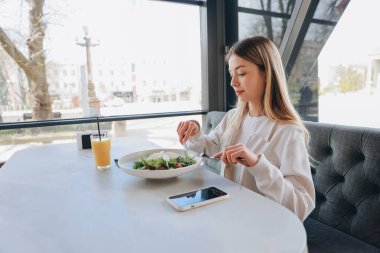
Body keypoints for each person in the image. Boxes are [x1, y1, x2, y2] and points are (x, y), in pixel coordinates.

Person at [176, 36, 315, 221]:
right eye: (231, 74)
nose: (233, 82)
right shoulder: (234, 117)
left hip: (263, 225)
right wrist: (195, 133)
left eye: (241, 73)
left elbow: (302, 205)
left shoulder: (288, 131)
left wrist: (257, 164)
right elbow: (211, 148)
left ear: (266, 74)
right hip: (230, 214)